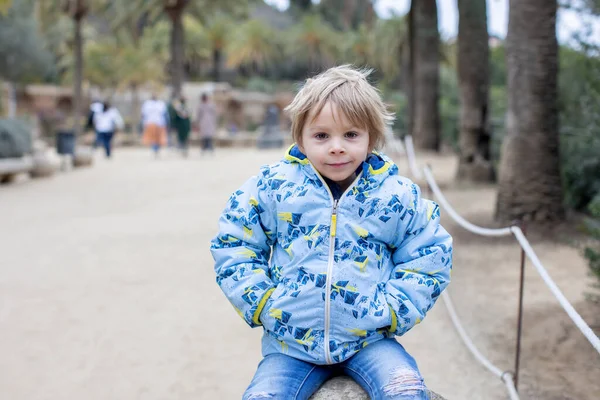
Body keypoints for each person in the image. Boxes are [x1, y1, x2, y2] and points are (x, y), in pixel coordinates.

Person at [210, 65, 453, 399]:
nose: (336, 147)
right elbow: (234, 242)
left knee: (407, 391)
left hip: (369, 342)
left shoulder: (395, 196)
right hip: (291, 346)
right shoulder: (274, 187)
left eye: (351, 135)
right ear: (301, 138)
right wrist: (263, 302)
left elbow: (430, 252)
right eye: (322, 136)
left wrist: (395, 309)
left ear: (371, 139)